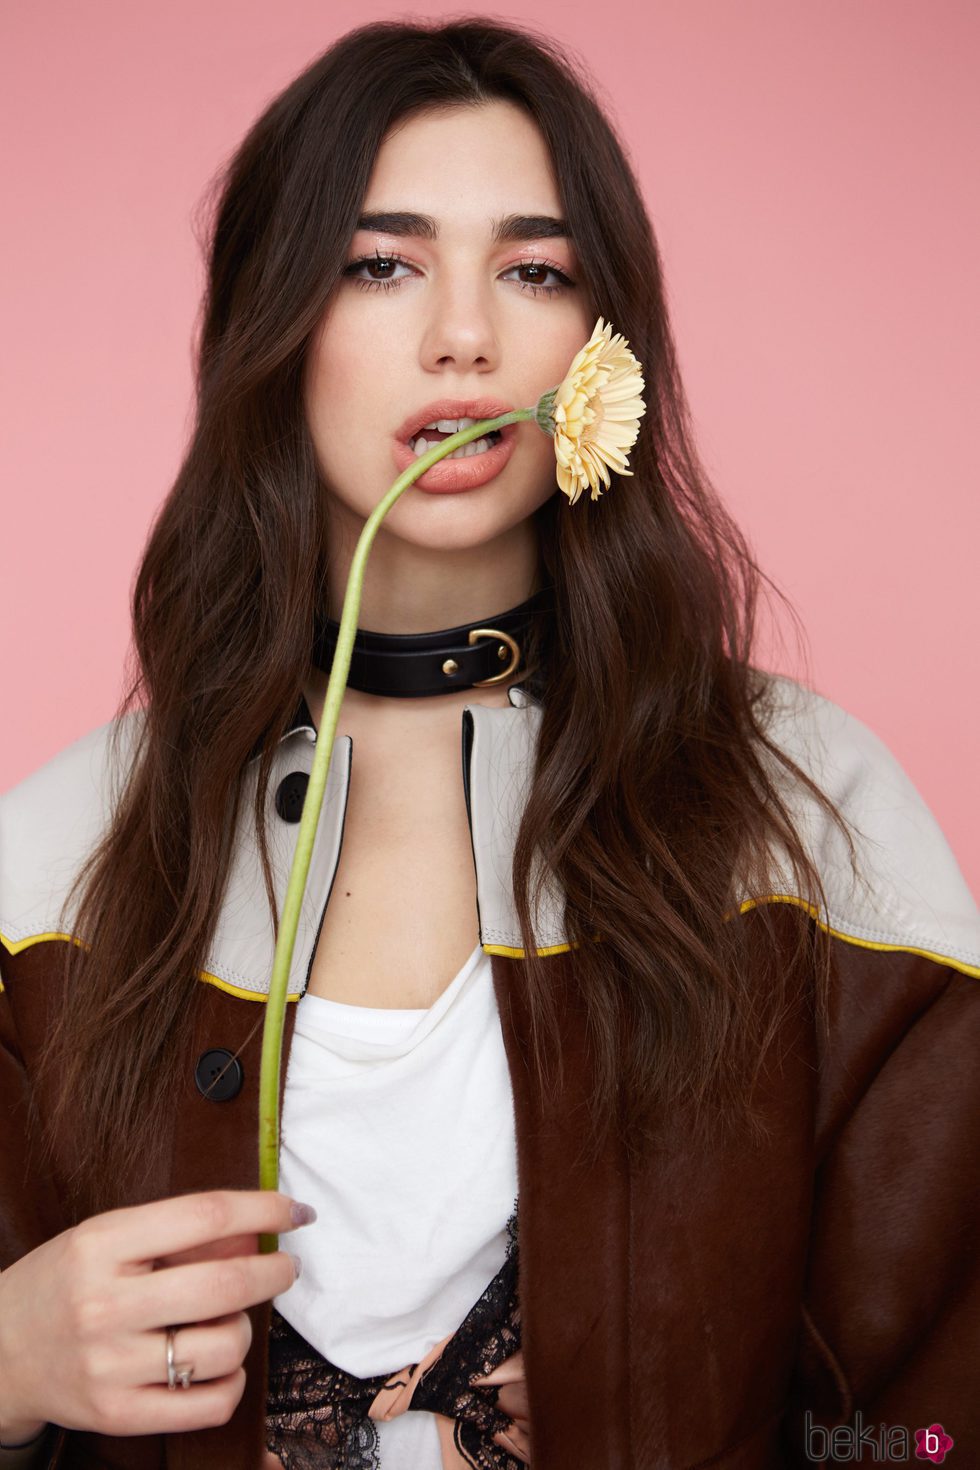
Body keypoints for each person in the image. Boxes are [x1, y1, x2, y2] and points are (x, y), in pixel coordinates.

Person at [1, 17, 978, 1470]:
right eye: (380, 263)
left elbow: (935, 1403)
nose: (463, 332)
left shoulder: (809, 809)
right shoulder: (56, 850)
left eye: (535, 270)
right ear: (272, 322)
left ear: (603, 343)